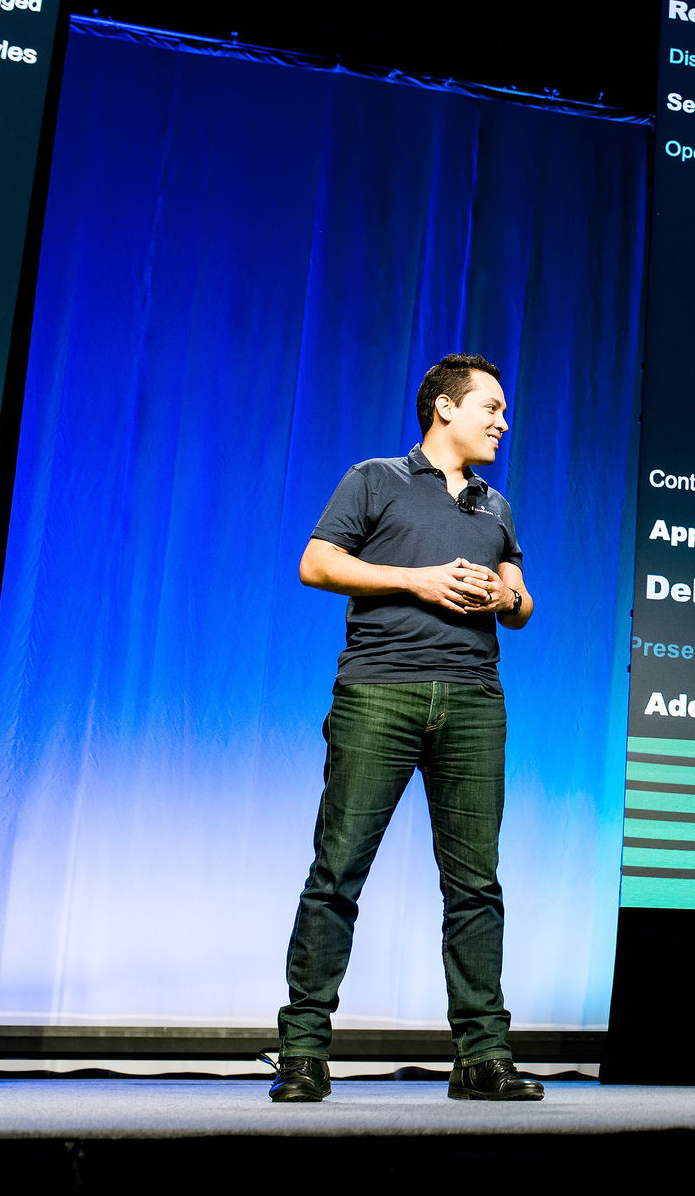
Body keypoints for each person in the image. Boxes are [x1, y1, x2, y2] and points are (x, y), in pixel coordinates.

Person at [269, 354, 543, 1103]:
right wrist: (416, 579)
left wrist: (501, 593)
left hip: (474, 700)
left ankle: (483, 1054)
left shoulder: (496, 505)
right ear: (444, 410)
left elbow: (521, 603)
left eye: (504, 410)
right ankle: (303, 1051)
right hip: (378, 694)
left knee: (476, 885)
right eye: (491, 406)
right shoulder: (375, 478)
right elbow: (317, 562)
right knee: (337, 873)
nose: (502, 421)